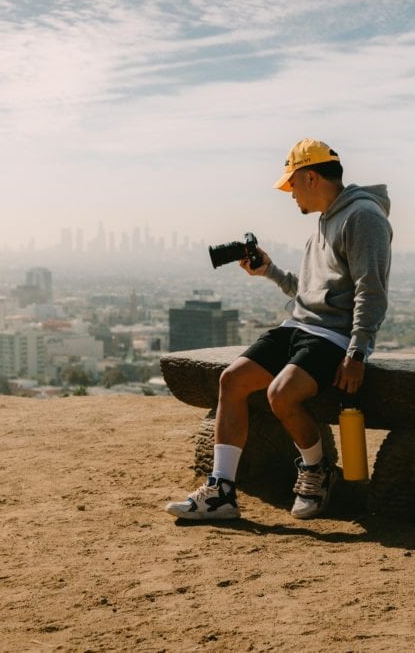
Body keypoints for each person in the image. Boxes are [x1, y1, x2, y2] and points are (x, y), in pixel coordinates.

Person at [166, 138, 392, 521]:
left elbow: (371, 290)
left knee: (281, 395)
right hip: (300, 326)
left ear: (311, 177)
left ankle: (316, 470)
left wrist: (357, 352)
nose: (289, 195)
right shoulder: (325, 220)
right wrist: (269, 271)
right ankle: (221, 493)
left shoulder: (363, 218)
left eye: (291, 185)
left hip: (334, 337)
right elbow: (310, 292)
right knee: (231, 380)